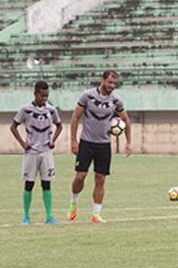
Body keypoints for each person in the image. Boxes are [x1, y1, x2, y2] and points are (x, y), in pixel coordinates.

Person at [67, 70, 132, 223]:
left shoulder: (116, 101)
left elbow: (126, 120)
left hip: (104, 145)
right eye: (110, 82)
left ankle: (96, 214)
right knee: (80, 176)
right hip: (86, 143)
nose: (112, 86)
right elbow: (75, 117)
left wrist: (128, 142)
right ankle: (73, 203)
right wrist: (73, 141)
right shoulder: (87, 96)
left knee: (100, 178)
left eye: (115, 84)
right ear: (102, 80)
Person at [10, 81, 63, 225]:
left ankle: (50, 216)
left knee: (47, 184)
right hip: (31, 153)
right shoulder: (25, 109)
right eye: (42, 96)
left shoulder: (51, 110)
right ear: (35, 94)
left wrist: (53, 140)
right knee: (29, 184)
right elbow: (13, 126)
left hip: (46, 152)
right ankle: (26, 217)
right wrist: (22, 143)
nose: (44, 99)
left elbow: (59, 126)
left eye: (47, 96)